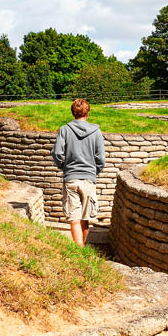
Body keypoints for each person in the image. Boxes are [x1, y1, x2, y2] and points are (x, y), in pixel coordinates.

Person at [51, 98, 105, 245]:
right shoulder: (96, 132)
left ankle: (78, 251)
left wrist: (63, 167)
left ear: (73, 113)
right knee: (85, 218)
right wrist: (94, 172)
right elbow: (100, 158)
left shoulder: (65, 130)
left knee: (74, 219)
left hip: (71, 178)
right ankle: (81, 250)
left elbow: (56, 153)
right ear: (88, 113)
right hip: (89, 179)